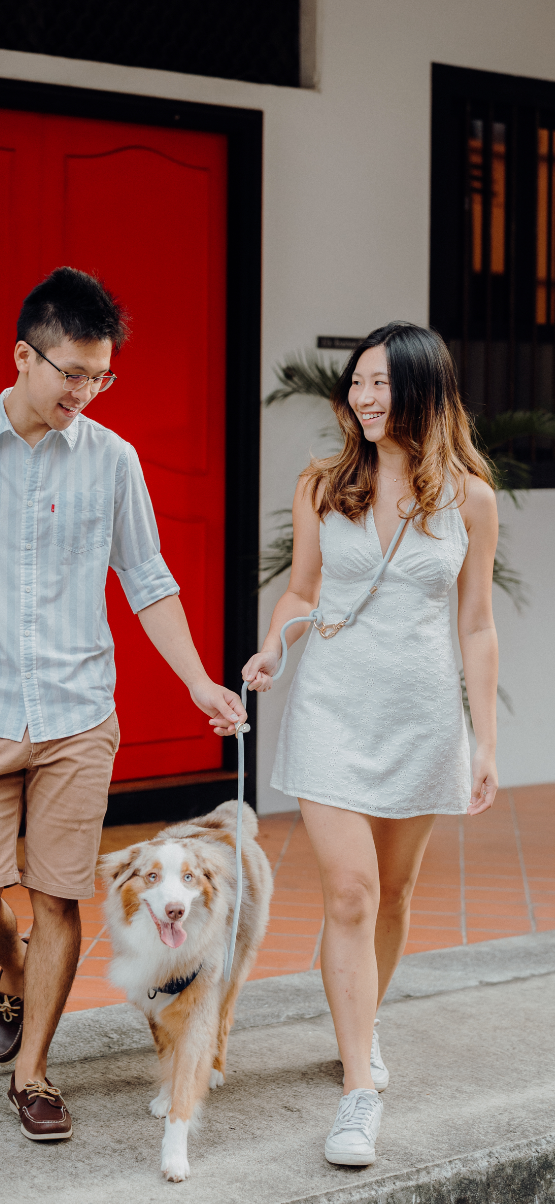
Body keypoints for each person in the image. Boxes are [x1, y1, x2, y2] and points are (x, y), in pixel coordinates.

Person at [0, 266, 246, 1141]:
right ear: (24, 355)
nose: (86, 392)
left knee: (59, 897)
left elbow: (148, 580)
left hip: (79, 714)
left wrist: (199, 681)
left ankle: (34, 1074)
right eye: (72, 373)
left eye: (102, 376)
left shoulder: (114, 461)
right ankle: (12, 969)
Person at [242, 322, 499, 1167]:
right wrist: (275, 644)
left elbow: (476, 623)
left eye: (383, 382)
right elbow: (301, 591)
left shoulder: (469, 499)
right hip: (332, 713)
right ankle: (358, 1087)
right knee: (349, 892)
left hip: (423, 718)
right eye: (358, 383)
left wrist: (485, 741)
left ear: (425, 388)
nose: (365, 396)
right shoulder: (323, 484)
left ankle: (362, 1021)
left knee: (391, 895)